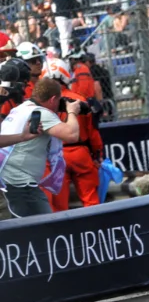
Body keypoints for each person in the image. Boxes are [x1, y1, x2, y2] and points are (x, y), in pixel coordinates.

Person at [0, 78, 79, 218]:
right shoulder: (41, 113)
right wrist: (71, 111)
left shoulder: (20, 108)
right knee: (45, 228)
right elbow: (72, 135)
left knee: (20, 229)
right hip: (20, 183)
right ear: (53, 99)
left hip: (8, 178)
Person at [49, 76, 102, 211]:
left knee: (59, 206)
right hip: (80, 152)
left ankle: (61, 231)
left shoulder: (46, 101)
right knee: (91, 201)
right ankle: (95, 229)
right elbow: (92, 131)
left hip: (57, 155)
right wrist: (97, 154)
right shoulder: (80, 99)